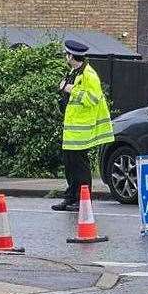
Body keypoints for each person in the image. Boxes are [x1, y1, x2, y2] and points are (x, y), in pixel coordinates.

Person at [52, 40, 115, 212]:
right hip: (72, 128)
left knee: (80, 167)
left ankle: (83, 200)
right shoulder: (74, 72)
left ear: (71, 56)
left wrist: (70, 89)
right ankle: (70, 197)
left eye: (67, 54)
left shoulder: (89, 74)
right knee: (70, 165)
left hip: (82, 130)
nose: (66, 57)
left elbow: (92, 99)